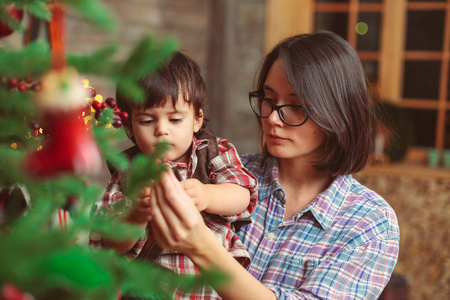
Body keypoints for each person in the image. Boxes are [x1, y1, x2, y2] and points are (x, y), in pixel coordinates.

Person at [147, 31, 400, 299]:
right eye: (268, 99)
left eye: (296, 105)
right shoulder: (223, 175)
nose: (273, 118)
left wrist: (200, 245)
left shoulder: (370, 224)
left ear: (338, 111)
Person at [89, 51, 258, 299]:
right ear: (129, 128)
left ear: (197, 120)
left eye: (176, 119)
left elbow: (243, 194)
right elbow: (110, 242)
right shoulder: (127, 171)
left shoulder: (212, 152)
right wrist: (135, 214)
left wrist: (208, 195)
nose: (162, 131)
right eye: (147, 121)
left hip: (209, 283)